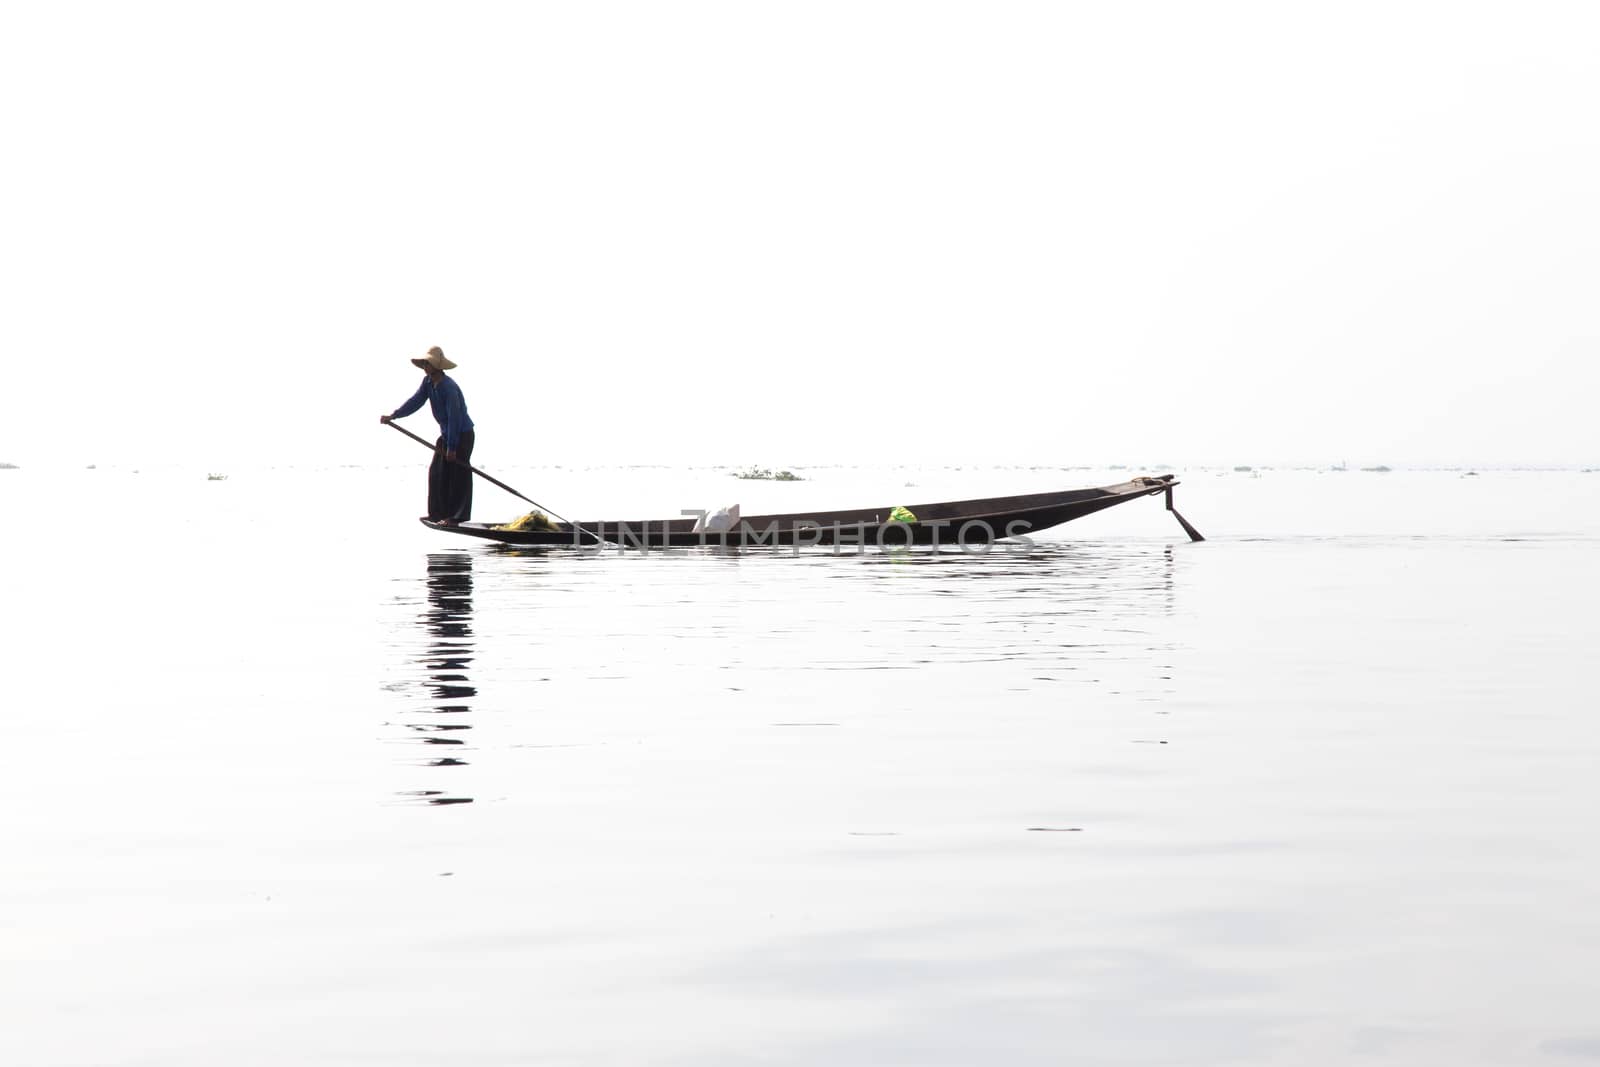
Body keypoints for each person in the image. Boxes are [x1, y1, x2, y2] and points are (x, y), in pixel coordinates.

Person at [381, 347, 476, 525]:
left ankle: (456, 517)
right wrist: (394, 415)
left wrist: (452, 447)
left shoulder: (449, 388)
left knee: (458, 474)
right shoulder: (428, 383)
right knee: (437, 472)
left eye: (427, 363)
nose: (424, 366)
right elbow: (415, 401)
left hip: (461, 435)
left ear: (436, 366)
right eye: (424, 363)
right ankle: (437, 513)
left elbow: (454, 418)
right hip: (447, 434)